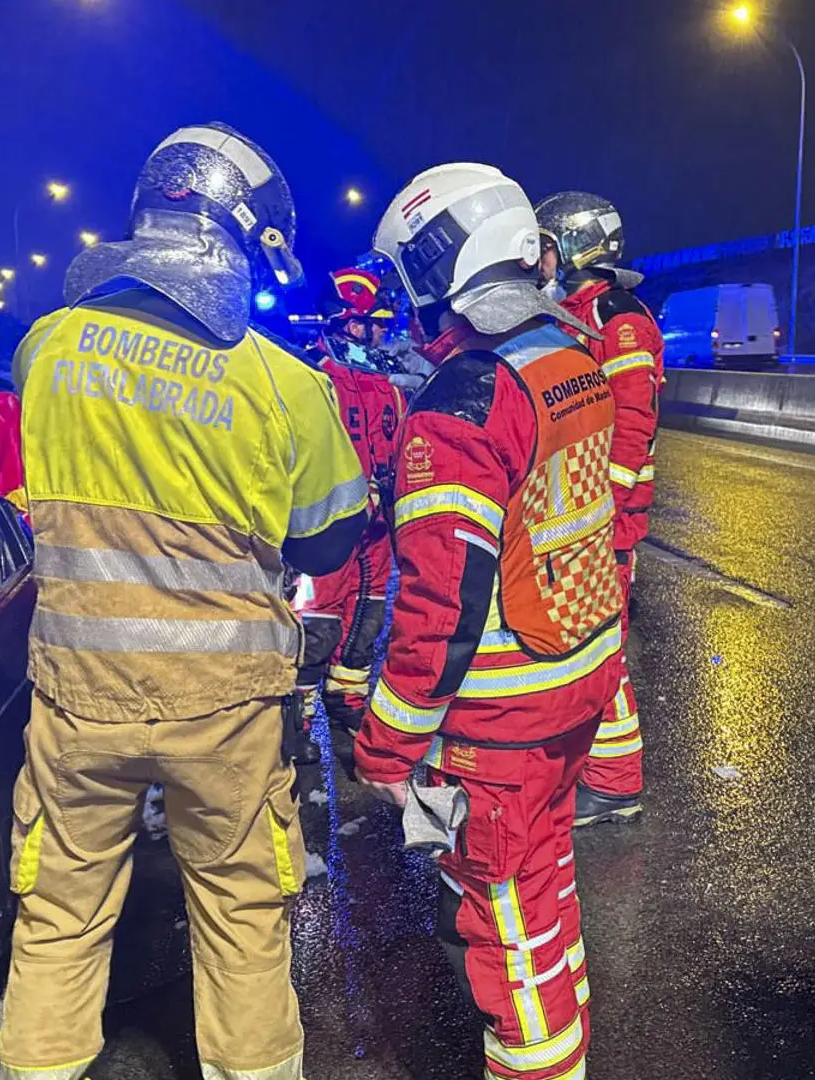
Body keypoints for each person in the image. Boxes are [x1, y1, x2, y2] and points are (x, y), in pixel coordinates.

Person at [1, 122, 367, 1080]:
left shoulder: (48, 349)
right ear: (238, 232)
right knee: (244, 919)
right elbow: (333, 536)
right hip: (227, 706)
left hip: (78, 695)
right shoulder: (282, 384)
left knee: (59, 919)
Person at [354, 162, 619, 1080]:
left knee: (501, 908)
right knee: (547, 880)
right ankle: (569, 1031)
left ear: (436, 270)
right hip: (578, 679)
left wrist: (386, 747)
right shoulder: (569, 354)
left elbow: (440, 608)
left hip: (503, 717)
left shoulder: (463, 400)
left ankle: (540, 1059)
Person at [536, 191, 664, 828]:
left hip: (605, 519)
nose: (542, 259)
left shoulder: (619, 319)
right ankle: (597, 770)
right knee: (582, 640)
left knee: (599, 646)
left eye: (549, 246)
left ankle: (615, 781)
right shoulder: (578, 314)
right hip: (583, 514)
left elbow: (633, 419)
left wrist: (603, 506)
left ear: (577, 250)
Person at [293, 267, 406, 773]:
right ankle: (295, 714)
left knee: (369, 615)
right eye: (374, 323)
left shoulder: (392, 390)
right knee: (317, 619)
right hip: (331, 527)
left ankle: (346, 697)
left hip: (378, 530)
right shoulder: (313, 382)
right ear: (347, 324)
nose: (383, 333)